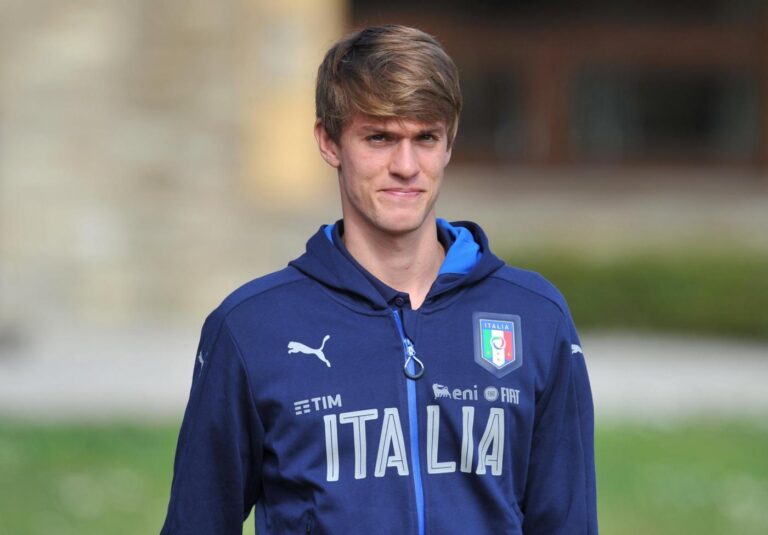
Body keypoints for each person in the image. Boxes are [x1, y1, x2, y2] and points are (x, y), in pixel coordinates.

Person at [160, 24, 597, 535]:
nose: (406, 166)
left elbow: (567, 523)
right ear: (329, 142)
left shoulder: (535, 316)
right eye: (379, 138)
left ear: (449, 143)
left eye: (425, 138)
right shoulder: (251, 328)